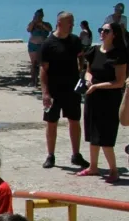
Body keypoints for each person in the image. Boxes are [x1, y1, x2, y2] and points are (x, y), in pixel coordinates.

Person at [39, 12, 89, 169]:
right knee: (51, 122)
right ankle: (50, 155)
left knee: (74, 121)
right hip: (54, 90)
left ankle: (76, 155)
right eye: (70, 22)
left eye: (73, 22)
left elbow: (81, 56)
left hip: (72, 89)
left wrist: (81, 71)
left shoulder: (75, 40)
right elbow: (43, 70)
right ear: (60, 23)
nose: (72, 25)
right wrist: (45, 93)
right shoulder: (48, 44)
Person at [79, 22, 127, 182]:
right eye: (101, 30)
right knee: (92, 133)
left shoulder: (119, 54)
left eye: (106, 31)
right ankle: (93, 167)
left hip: (110, 99)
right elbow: (88, 71)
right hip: (92, 97)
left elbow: (119, 82)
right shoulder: (94, 51)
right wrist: (88, 80)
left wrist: (97, 86)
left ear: (114, 34)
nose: (102, 33)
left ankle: (113, 170)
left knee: (105, 136)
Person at [26, 9, 52, 89]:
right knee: (34, 63)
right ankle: (33, 81)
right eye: (36, 15)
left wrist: (42, 24)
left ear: (42, 16)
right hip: (33, 45)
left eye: (39, 15)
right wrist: (33, 22)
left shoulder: (46, 24)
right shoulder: (32, 24)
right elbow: (28, 30)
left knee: (42, 63)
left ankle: (43, 80)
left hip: (42, 46)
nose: (38, 17)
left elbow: (50, 30)